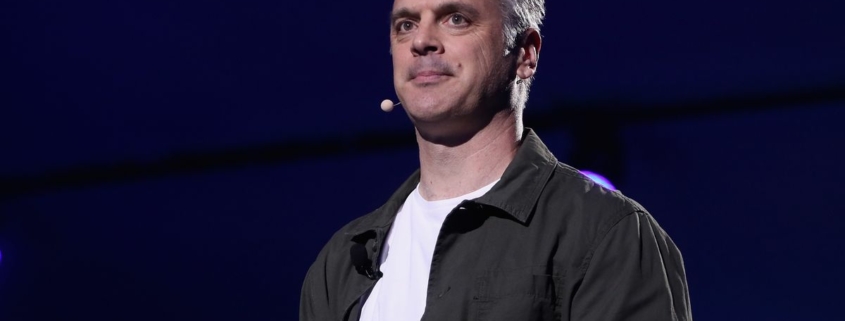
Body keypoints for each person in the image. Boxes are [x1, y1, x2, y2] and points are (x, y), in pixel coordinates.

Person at [300, 0, 692, 320]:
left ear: (525, 54)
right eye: (405, 24)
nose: (420, 41)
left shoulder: (605, 233)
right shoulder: (342, 261)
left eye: (456, 18)